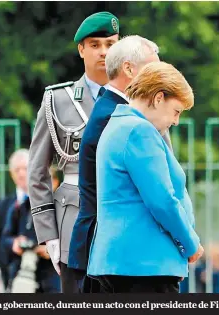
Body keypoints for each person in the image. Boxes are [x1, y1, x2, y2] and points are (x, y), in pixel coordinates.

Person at [86, 61, 203, 293]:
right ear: (158, 98)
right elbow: (162, 201)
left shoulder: (118, 125)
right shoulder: (139, 131)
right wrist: (191, 244)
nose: (176, 121)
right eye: (176, 111)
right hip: (144, 265)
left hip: (127, 263)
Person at [28, 11, 120, 293]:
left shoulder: (140, 97)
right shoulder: (58, 99)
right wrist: (48, 233)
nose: (104, 52)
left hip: (122, 219)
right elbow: (37, 170)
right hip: (72, 222)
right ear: (81, 49)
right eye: (95, 45)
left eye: (111, 44)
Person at [67, 35, 164, 293]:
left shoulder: (114, 108)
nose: (159, 76)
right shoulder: (117, 115)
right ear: (129, 69)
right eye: (152, 69)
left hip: (104, 248)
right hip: (107, 251)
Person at [0, 149, 30, 290]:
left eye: (25, 168)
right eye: (16, 169)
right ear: (11, 173)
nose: (21, 173)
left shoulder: (47, 202)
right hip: (12, 277)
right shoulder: (2, 205)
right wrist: (12, 244)